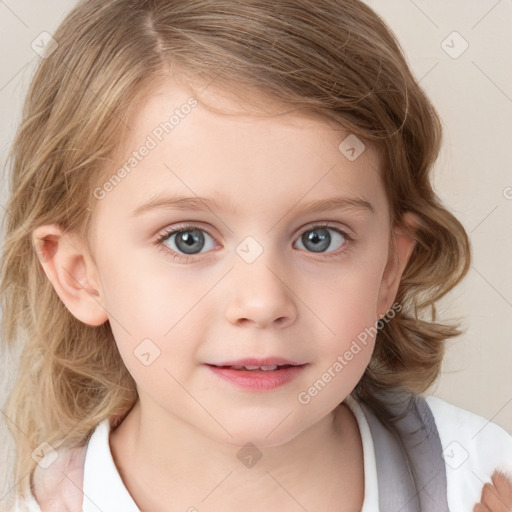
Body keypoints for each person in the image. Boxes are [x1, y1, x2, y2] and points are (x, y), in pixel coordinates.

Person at [1, 0, 511, 511]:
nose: (263, 302)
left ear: (388, 269)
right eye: (188, 240)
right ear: (80, 275)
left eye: (320, 237)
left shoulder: (486, 476)